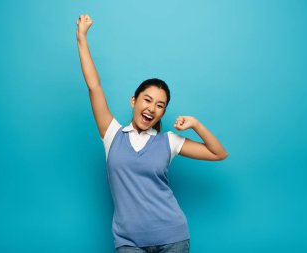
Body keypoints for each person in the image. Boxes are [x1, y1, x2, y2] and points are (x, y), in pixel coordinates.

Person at [76, 14, 228, 253]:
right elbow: (94, 86)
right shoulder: (112, 134)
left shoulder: (168, 141)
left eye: (160, 105)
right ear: (133, 101)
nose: (152, 108)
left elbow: (218, 153)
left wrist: (196, 124)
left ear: (162, 113)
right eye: (147, 100)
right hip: (129, 242)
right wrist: (82, 38)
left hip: (173, 237)